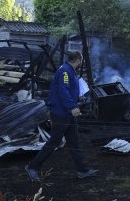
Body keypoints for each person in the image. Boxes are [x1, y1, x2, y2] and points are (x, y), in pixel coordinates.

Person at [25, 51, 98, 182]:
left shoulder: (70, 71)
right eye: (81, 59)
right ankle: (32, 167)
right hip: (61, 113)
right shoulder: (64, 71)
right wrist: (72, 106)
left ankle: (82, 170)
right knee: (54, 142)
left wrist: (77, 97)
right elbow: (63, 90)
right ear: (77, 59)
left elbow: (68, 90)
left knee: (74, 142)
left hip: (68, 113)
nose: (82, 62)